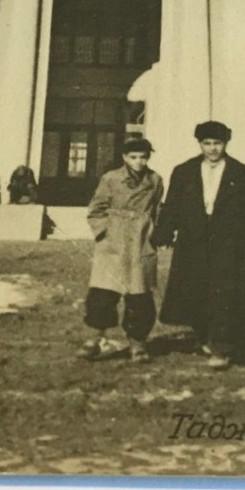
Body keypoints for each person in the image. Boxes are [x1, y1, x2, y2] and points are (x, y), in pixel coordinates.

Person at [152, 120, 245, 369]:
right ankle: (205, 336)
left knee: (223, 294)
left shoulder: (242, 174)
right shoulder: (183, 172)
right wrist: (163, 232)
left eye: (217, 143)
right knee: (195, 291)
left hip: (229, 244)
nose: (212, 149)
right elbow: (172, 205)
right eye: (207, 143)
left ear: (226, 143)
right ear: (200, 144)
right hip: (194, 242)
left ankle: (222, 348)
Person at [79, 137, 164, 363]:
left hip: (140, 242)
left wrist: (153, 235)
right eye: (133, 157)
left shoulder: (155, 180)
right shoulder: (111, 178)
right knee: (103, 292)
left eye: (143, 157)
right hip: (113, 243)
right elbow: (96, 210)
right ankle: (95, 338)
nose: (139, 162)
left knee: (139, 295)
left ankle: (138, 342)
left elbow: (156, 209)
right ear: (125, 157)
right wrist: (104, 235)